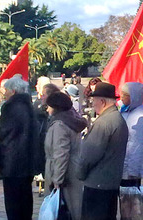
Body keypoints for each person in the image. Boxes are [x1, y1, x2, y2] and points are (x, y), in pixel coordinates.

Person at [77, 82, 128, 220]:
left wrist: (80, 174)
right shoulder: (117, 119)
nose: (93, 104)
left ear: (103, 101)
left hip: (97, 184)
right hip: (109, 182)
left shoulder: (104, 122)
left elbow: (89, 155)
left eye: (94, 101)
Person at [0, 77, 39, 220]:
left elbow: (2, 132)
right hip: (28, 161)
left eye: (6, 90)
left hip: (12, 161)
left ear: (13, 91)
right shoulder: (29, 106)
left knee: (13, 203)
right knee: (26, 199)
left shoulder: (10, 107)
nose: (4, 93)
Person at [44, 92, 87, 220]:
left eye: (49, 106)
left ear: (56, 107)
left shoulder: (59, 125)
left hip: (65, 175)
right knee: (74, 209)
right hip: (73, 169)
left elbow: (60, 153)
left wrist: (57, 180)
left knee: (63, 211)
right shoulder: (71, 119)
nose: (47, 109)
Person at [120, 82, 143, 187]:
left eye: (125, 95)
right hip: (123, 162)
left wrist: (133, 170)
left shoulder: (140, 115)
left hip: (130, 167)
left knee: (130, 199)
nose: (122, 97)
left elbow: (137, 144)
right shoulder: (126, 110)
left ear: (134, 96)